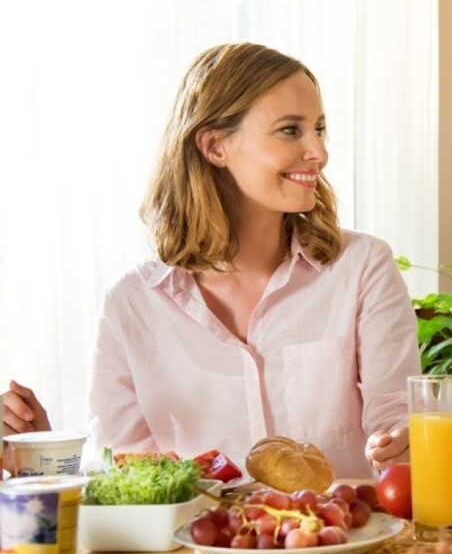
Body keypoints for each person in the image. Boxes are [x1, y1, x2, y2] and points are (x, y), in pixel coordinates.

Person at [3, 43, 420, 479]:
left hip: (341, 542)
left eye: (319, 128)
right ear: (215, 146)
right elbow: (123, 474)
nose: (319, 151)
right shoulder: (132, 305)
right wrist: (40, 457)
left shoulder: (361, 268)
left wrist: (399, 444)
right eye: (291, 130)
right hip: (194, 548)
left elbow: (398, 425)